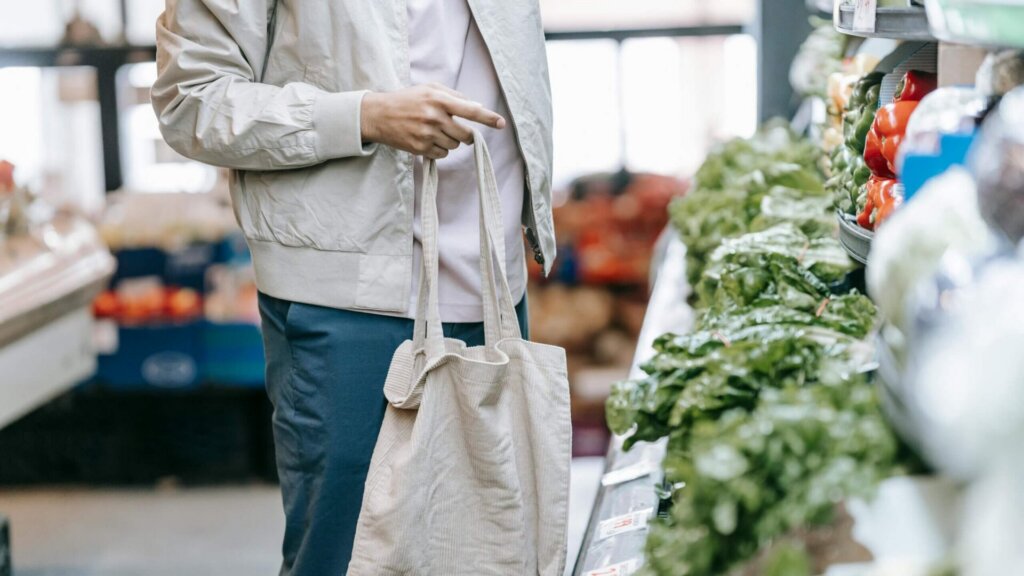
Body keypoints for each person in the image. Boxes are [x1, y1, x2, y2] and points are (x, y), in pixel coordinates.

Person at [152, 1, 556, 574]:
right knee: (344, 557)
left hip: (493, 283)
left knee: (488, 551)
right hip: (346, 297)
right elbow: (189, 99)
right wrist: (362, 116)